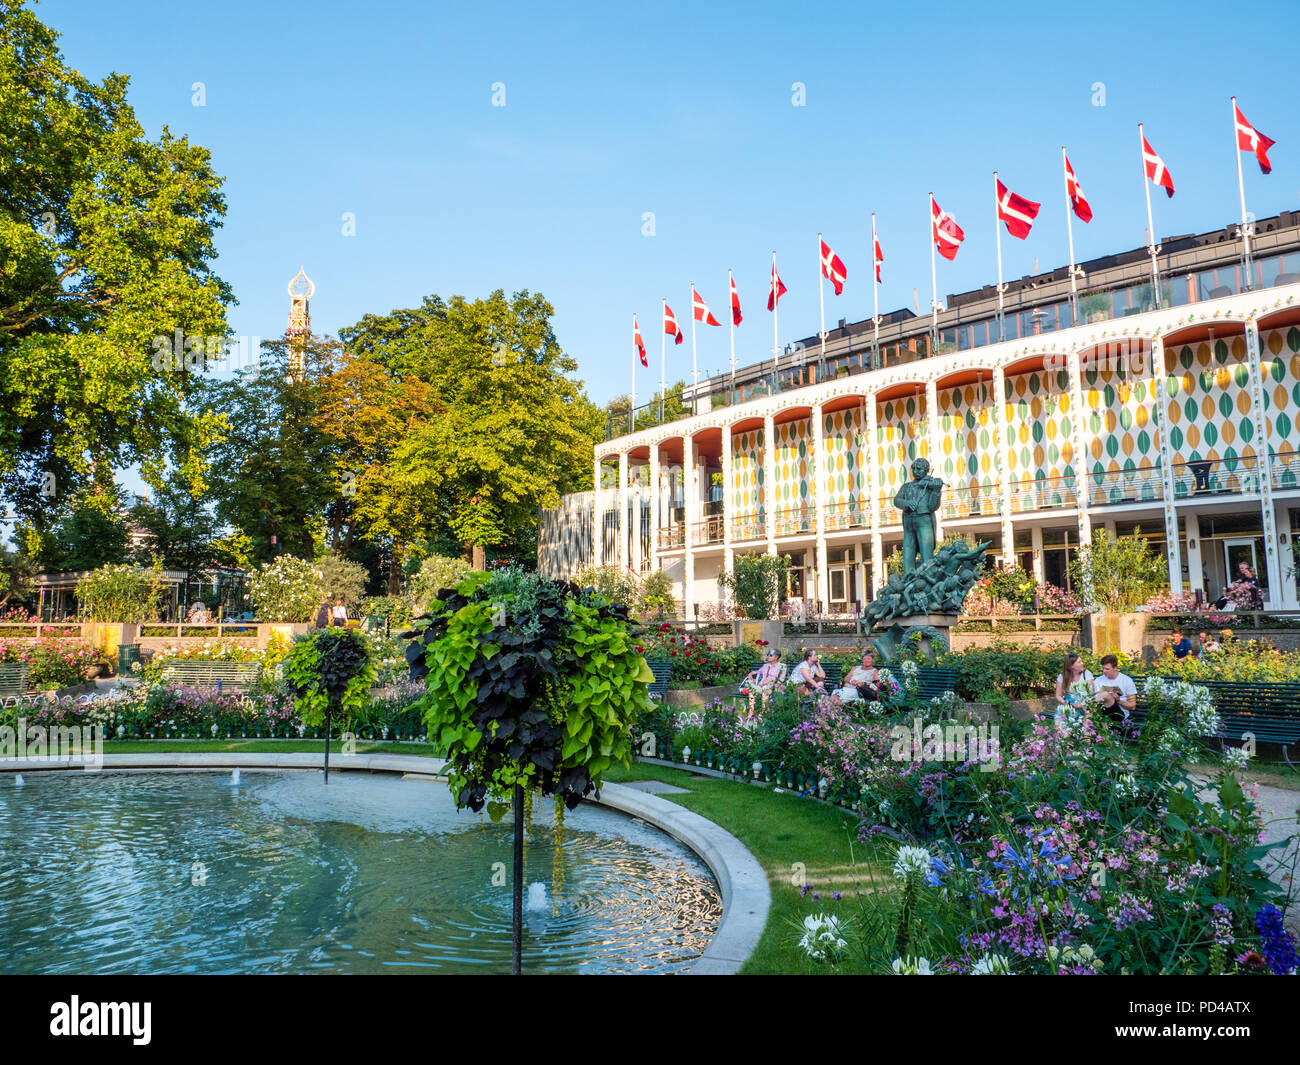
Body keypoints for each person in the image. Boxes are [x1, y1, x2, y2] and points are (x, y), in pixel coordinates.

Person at [1093, 654, 1138, 723]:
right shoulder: (1099, 680)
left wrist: (1118, 700)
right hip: (1101, 712)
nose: (1104, 671)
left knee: (1105, 694)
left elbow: (1133, 706)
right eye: (1103, 668)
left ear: (1115, 668)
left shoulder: (1126, 680)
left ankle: (1086, 705)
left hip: (1119, 714)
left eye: (1107, 669)